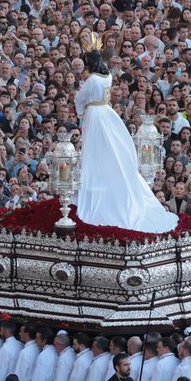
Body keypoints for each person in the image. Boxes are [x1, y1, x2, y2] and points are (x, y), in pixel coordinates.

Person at [74, 36, 178, 233]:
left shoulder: (93, 79)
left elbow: (80, 98)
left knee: (95, 147)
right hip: (106, 111)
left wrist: (80, 110)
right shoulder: (107, 76)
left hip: (95, 114)